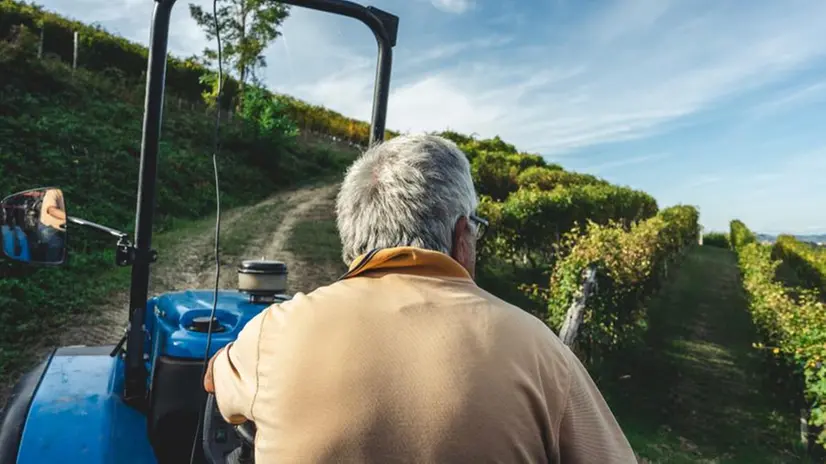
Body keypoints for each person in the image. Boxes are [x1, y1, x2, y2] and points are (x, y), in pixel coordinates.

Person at [205, 134, 637, 463]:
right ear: (462, 234)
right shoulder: (541, 352)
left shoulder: (272, 333)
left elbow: (214, 381)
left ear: (351, 237)